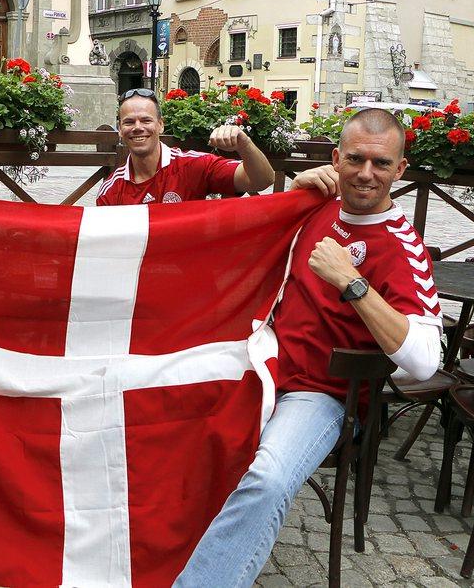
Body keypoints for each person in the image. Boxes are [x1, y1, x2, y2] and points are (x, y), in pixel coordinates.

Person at [174, 107, 442, 587]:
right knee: (166, 411)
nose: (365, 174)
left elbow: (425, 360)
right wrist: (295, 190)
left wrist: (353, 284)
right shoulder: (315, 204)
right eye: (355, 159)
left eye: (381, 164)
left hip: (323, 394)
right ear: (336, 159)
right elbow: (249, 228)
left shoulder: (403, 247)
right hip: (263, 364)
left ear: (401, 170)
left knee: (268, 479)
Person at [96, 88, 277, 205]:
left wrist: (244, 144)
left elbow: (263, 180)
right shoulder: (111, 189)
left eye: (146, 120)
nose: (137, 128)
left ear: (161, 125)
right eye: (129, 122)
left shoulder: (192, 165)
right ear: (120, 130)